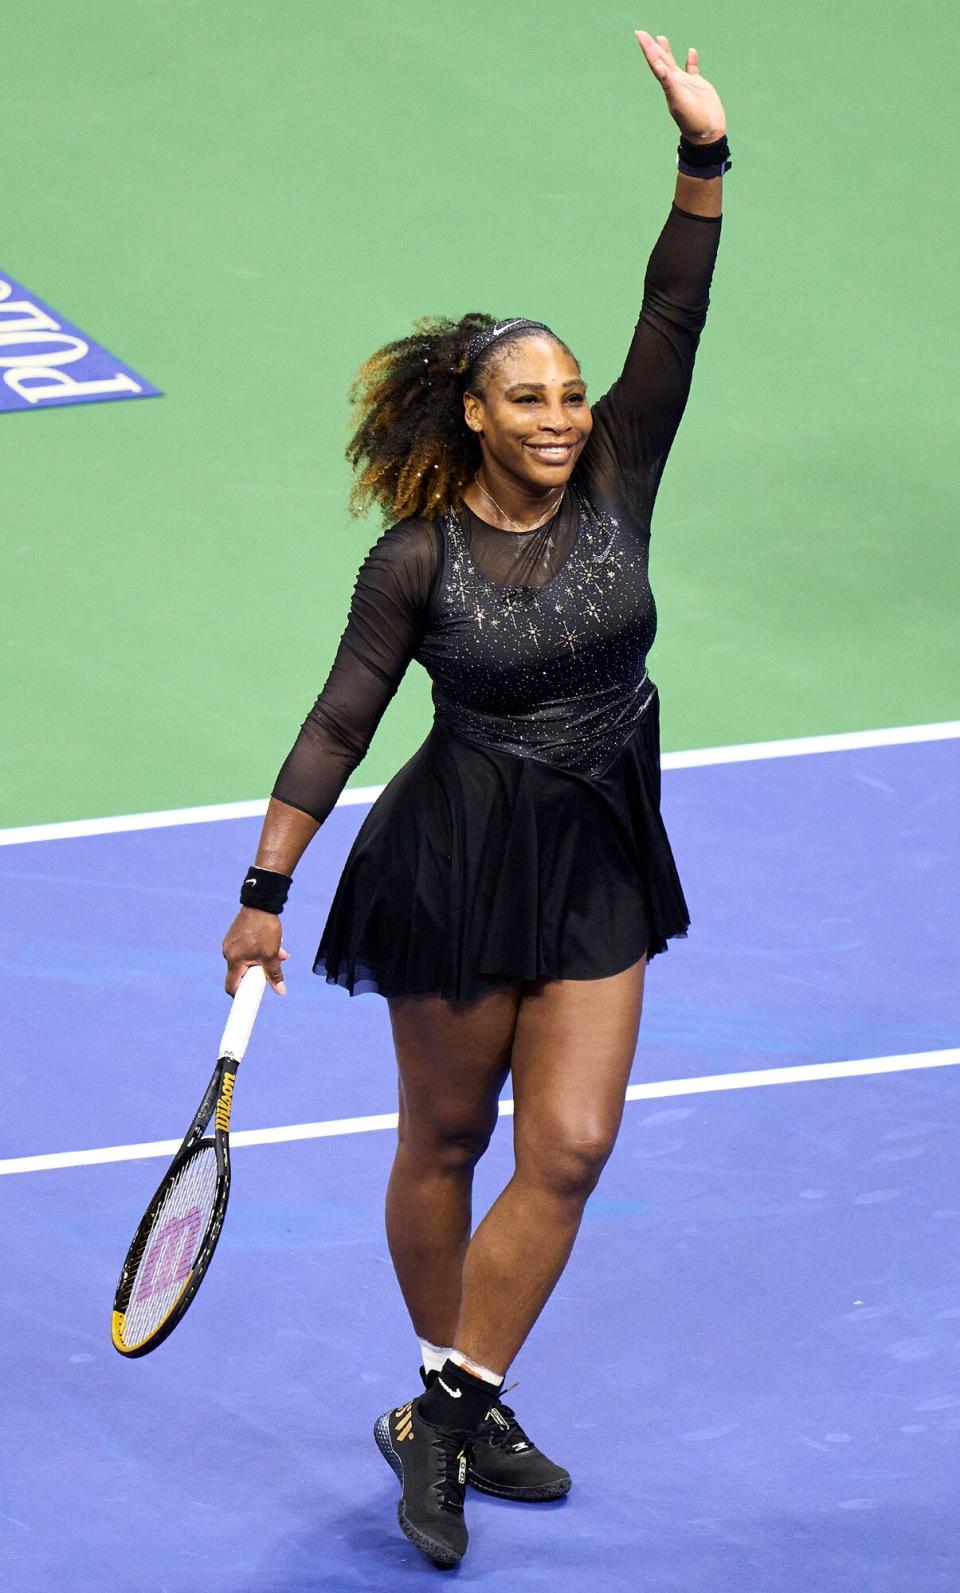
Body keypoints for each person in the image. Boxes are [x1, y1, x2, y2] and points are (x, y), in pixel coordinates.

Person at [222, 28, 729, 1571]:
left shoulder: (621, 475)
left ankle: (441, 1409)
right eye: (532, 398)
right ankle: (463, 1390)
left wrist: (703, 158)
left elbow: (673, 312)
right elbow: (335, 724)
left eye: (574, 392)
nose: (566, 414)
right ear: (475, 419)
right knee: (445, 1140)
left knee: (568, 1147)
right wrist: (261, 893)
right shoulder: (417, 561)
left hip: (598, 849)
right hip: (455, 857)